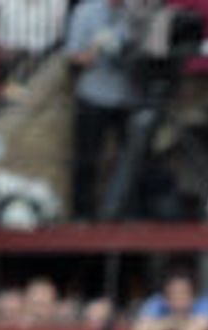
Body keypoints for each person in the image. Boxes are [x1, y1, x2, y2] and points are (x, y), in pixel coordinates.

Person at [64, 0, 135, 221]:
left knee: (131, 159)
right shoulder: (86, 11)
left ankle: (127, 213)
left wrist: (125, 50)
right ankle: (82, 215)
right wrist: (97, 49)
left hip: (127, 95)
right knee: (87, 158)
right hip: (94, 94)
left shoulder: (135, 11)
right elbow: (73, 55)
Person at [130, 269, 208, 330]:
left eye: (183, 293)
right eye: (173, 294)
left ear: (195, 295)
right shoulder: (157, 302)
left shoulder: (205, 302)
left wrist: (160, 327)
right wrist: (175, 322)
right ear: (165, 295)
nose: (178, 299)